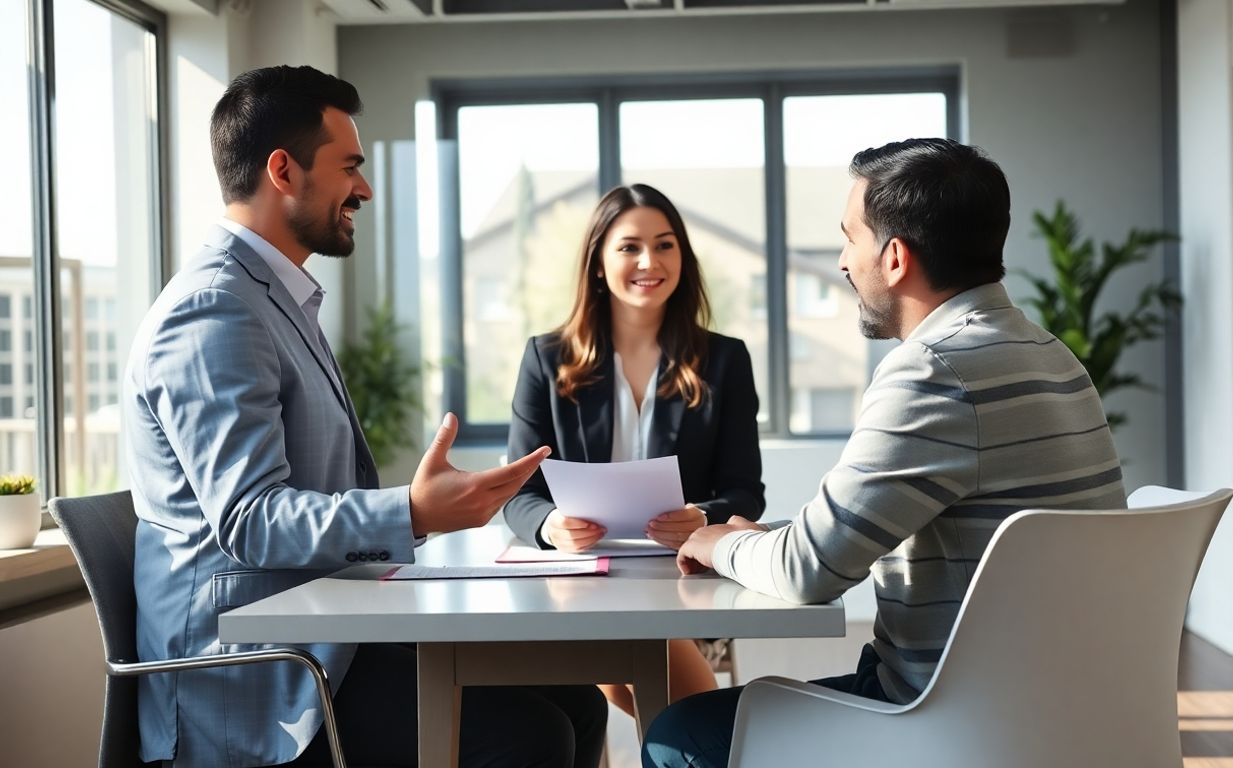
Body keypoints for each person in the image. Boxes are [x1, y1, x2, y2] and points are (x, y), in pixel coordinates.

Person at [124, 65, 605, 768]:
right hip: (257, 677)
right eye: (349, 166)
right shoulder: (215, 309)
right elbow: (251, 519)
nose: (365, 189)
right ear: (283, 171)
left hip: (327, 636)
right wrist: (411, 511)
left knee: (578, 703)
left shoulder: (273, 296)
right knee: (532, 737)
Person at [640, 138, 1129, 767]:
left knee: (677, 737)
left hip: (954, 719)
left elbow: (807, 572)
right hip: (1058, 709)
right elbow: (856, 531)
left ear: (894, 257)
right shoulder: (1049, 354)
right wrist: (768, 537)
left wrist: (714, 541)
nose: (843, 261)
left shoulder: (935, 371)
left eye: (849, 238)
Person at [504, 183, 765, 715]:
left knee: (635, 643)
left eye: (665, 245)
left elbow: (745, 491)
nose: (650, 260)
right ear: (598, 262)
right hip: (582, 574)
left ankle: (698, 739)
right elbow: (518, 493)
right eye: (629, 247)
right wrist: (552, 526)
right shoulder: (546, 359)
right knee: (623, 638)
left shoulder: (724, 360)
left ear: (682, 258)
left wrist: (700, 515)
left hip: (681, 573)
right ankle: (707, 739)